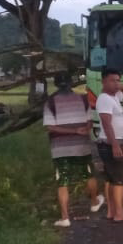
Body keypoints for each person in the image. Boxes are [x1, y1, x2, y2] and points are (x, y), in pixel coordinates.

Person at [43, 73, 105, 228]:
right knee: (88, 175)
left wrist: (72, 131)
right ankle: (94, 202)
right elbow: (90, 122)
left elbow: (50, 127)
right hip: (81, 146)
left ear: (56, 84)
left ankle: (65, 218)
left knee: (62, 181)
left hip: (59, 149)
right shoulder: (83, 99)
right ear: (71, 84)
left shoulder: (50, 102)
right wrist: (81, 130)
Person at [96, 68, 123, 223]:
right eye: (112, 80)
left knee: (111, 178)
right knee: (119, 180)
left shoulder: (114, 97)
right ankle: (119, 213)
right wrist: (114, 145)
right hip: (112, 144)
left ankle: (112, 211)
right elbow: (107, 124)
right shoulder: (105, 99)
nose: (116, 83)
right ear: (103, 81)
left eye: (118, 80)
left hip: (114, 143)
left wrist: (118, 85)